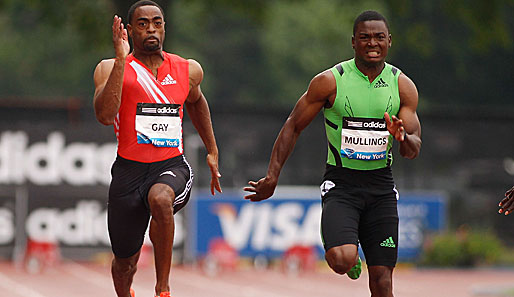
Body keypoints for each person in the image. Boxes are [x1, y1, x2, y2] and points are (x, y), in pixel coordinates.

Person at [244, 10, 421, 297]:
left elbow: (413, 148)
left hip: (381, 188)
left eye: (378, 37)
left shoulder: (402, 86)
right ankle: (350, 259)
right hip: (342, 185)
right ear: (353, 42)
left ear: (390, 41)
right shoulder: (330, 81)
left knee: (383, 281)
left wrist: (402, 137)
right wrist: (272, 177)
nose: (372, 43)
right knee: (341, 260)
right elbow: (293, 125)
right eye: (364, 38)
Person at [93, 1, 222, 297]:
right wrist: (122, 60)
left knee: (161, 199)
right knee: (124, 262)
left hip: (171, 165)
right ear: (128, 30)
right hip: (128, 172)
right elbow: (103, 115)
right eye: (142, 23)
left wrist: (212, 149)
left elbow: (197, 102)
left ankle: (162, 288)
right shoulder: (110, 68)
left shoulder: (187, 69)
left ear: (164, 27)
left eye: (157, 22)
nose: (151, 29)